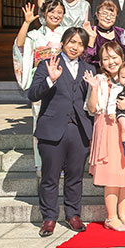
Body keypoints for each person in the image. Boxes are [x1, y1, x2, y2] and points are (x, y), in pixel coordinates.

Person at [27, 27, 93, 237]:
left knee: (75, 176)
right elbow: (33, 94)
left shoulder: (88, 69)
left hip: (79, 129)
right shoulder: (47, 65)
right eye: (72, 42)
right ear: (63, 42)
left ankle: (73, 215)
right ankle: (49, 218)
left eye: (80, 44)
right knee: (50, 176)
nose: (75, 47)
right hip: (53, 128)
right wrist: (51, 79)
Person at [85, 41, 125, 232]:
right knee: (112, 174)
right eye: (106, 58)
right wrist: (94, 88)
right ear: (101, 62)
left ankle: (123, 214)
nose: (111, 62)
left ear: (122, 57)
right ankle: (111, 217)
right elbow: (92, 108)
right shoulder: (99, 79)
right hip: (108, 127)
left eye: (114, 57)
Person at [13, 0, 66, 176]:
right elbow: (20, 47)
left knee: (62, 123)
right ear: (44, 13)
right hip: (41, 82)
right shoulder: (35, 35)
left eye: (59, 12)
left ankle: (61, 163)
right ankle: (40, 163)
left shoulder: (67, 33)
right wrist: (27, 23)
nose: (55, 15)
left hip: (62, 82)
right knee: (40, 122)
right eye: (52, 11)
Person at [82, 0, 125, 67]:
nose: (108, 18)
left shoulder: (121, 32)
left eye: (112, 15)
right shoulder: (89, 31)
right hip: (96, 72)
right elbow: (84, 60)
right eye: (104, 14)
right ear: (97, 15)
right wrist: (91, 39)